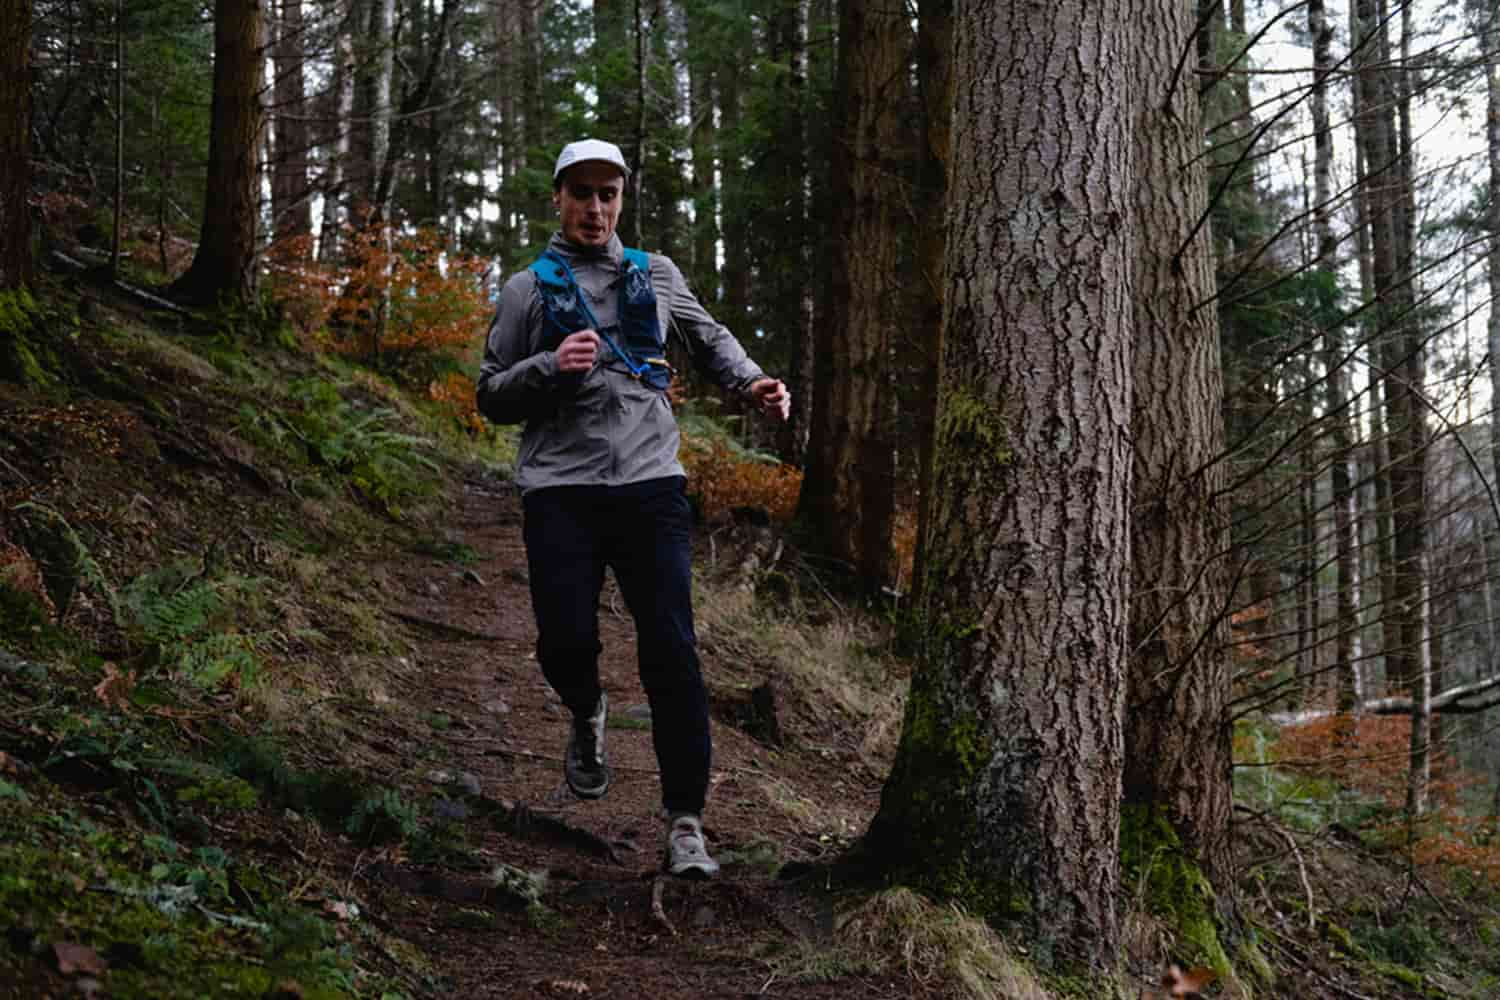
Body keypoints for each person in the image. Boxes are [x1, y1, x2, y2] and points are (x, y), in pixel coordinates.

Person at [475, 138, 790, 879]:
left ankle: (686, 824)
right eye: (581, 193)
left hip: (651, 485)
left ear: (622, 198)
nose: (595, 208)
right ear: (558, 197)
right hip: (561, 488)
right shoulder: (527, 289)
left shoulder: (657, 274)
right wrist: (549, 367)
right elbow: (489, 394)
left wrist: (754, 383)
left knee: (672, 653)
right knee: (562, 642)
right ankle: (585, 711)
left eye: (607, 194)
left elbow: (711, 342)